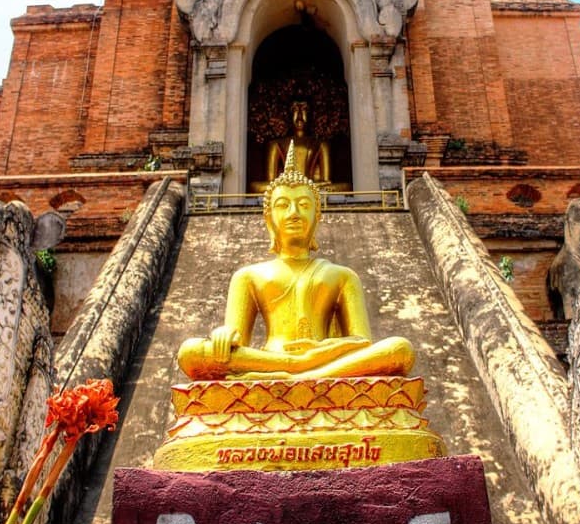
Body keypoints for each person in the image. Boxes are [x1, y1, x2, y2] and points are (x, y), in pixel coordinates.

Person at [177, 142, 414, 380]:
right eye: (283, 205)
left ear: (317, 216)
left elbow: (361, 343)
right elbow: (236, 340)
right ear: (269, 219)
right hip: (271, 359)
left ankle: (296, 376)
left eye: (304, 205)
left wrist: (323, 350)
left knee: (400, 349)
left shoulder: (343, 276)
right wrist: (224, 336)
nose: (294, 213)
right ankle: (300, 370)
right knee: (191, 353)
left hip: (322, 358)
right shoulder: (248, 277)